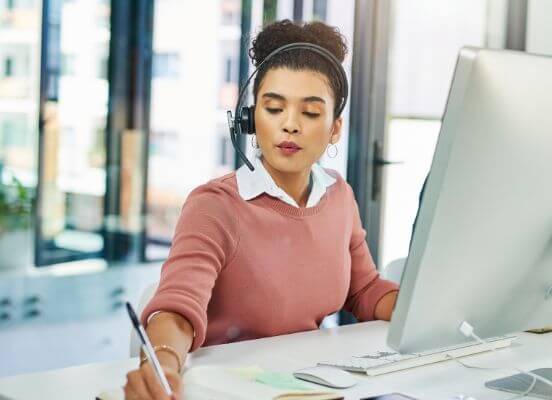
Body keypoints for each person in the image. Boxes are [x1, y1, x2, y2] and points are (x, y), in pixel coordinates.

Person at [123, 20, 399, 399]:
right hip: (230, 388)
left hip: (310, 385)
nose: (289, 125)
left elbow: (365, 289)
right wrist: (163, 364)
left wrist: (426, 308)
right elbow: (177, 307)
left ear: (335, 128)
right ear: (252, 119)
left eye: (311, 113)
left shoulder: (339, 195)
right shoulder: (215, 205)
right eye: (273, 108)